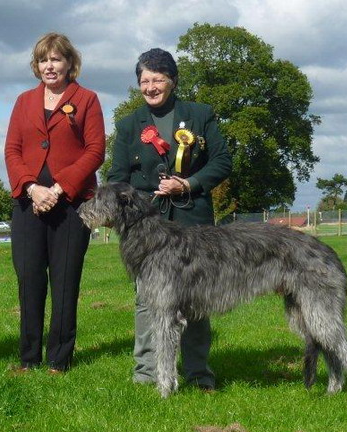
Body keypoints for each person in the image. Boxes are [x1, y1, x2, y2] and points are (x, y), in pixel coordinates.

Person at [107, 48, 232, 389]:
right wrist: (140, 201)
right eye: (144, 80)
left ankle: (198, 373)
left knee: (197, 301)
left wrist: (188, 183)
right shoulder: (129, 125)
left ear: (173, 81)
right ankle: (147, 374)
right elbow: (118, 177)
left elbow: (221, 162)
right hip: (147, 228)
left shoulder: (200, 115)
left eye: (158, 79)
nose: (150, 87)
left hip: (194, 220)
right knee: (148, 301)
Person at [5, 32, 106, 373]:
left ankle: (59, 361)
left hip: (71, 204)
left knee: (64, 283)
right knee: (29, 281)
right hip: (28, 203)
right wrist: (32, 188)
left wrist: (59, 188)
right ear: (37, 66)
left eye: (56, 59)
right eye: (44, 60)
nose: (50, 66)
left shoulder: (87, 99)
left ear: (69, 63)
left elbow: (96, 151)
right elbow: (12, 150)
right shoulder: (23, 101)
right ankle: (28, 358)